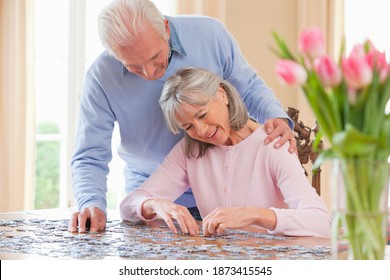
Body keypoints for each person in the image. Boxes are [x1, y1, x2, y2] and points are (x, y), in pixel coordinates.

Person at [69, 0, 296, 233]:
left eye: (155, 57)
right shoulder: (101, 77)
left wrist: (275, 117)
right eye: (134, 67)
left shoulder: (211, 35)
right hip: (153, 197)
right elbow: (90, 154)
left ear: (166, 28)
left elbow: (248, 87)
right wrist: (91, 203)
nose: (148, 73)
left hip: (224, 189)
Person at [120, 68, 331, 238]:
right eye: (188, 126)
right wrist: (155, 204)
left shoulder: (273, 143)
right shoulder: (189, 150)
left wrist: (254, 215)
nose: (200, 131)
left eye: (202, 114)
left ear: (222, 95)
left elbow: (321, 222)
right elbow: (128, 206)